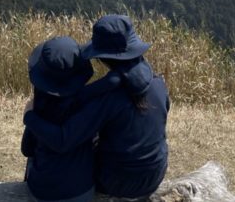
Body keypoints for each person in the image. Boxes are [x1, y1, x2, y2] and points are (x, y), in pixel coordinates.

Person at [23, 15, 170, 200]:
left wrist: (29, 116)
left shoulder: (107, 99)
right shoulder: (158, 83)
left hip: (120, 182)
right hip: (156, 172)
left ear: (102, 57)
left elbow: (64, 140)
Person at [21, 36, 120, 202]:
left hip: (42, 191)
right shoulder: (90, 104)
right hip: (80, 191)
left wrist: (29, 117)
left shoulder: (39, 107)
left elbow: (27, 149)